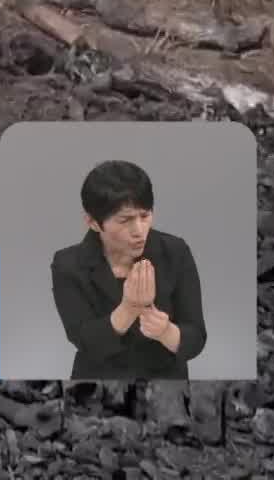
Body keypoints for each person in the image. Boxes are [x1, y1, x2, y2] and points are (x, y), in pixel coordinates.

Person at [49, 159, 207, 380]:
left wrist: (166, 332)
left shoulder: (175, 251)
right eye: (125, 220)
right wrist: (128, 309)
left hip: (165, 381)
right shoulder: (68, 265)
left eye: (145, 216)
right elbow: (84, 341)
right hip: (97, 384)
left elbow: (196, 337)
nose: (139, 230)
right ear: (93, 222)